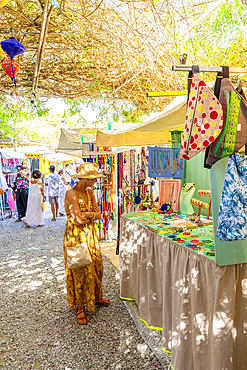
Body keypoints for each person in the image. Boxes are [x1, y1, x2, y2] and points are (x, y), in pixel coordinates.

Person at [63, 163, 110, 325]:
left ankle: (95, 297)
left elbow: (99, 213)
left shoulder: (90, 192)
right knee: (79, 268)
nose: (96, 181)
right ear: (86, 179)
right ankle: (80, 306)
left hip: (90, 234)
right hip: (76, 235)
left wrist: (88, 214)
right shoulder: (71, 194)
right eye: (93, 178)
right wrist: (92, 215)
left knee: (97, 265)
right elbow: (77, 219)